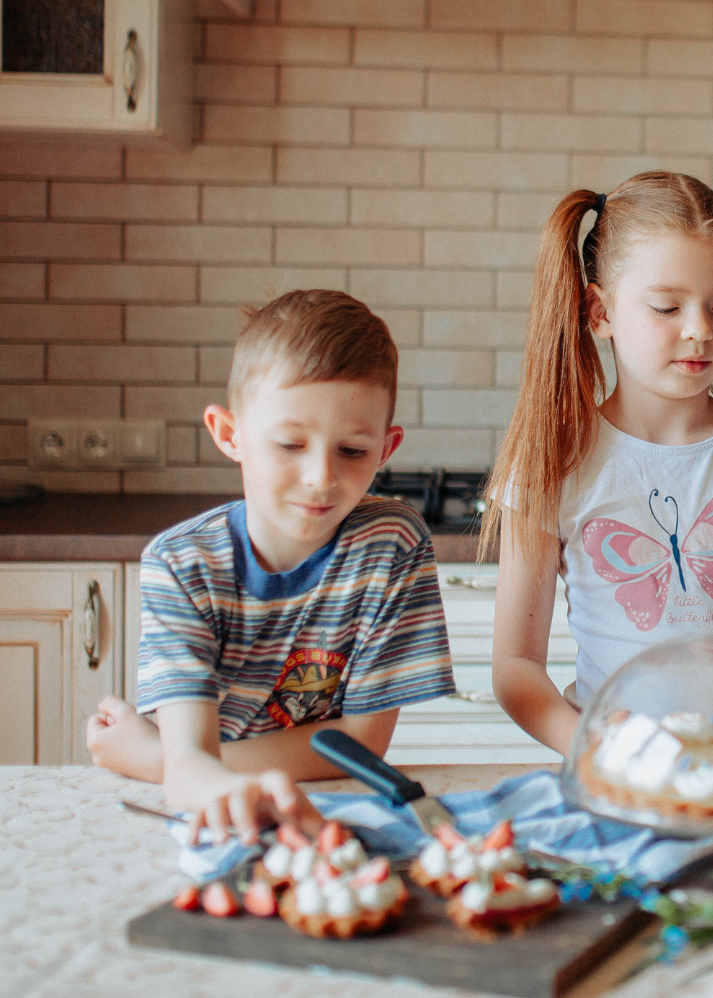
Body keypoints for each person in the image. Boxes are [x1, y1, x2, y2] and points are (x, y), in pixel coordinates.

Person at [86, 290, 457, 845]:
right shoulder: (180, 563)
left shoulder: (392, 544)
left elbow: (360, 746)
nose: (320, 477)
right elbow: (190, 762)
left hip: (317, 803)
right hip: (208, 812)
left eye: (352, 450)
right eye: (290, 443)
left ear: (386, 448)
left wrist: (148, 756)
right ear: (229, 434)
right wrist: (191, 767)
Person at [485, 171, 713, 754]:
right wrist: (597, 750)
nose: (700, 330)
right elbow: (516, 667)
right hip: (617, 779)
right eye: (667, 307)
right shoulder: (554, 461)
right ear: (599, 312)